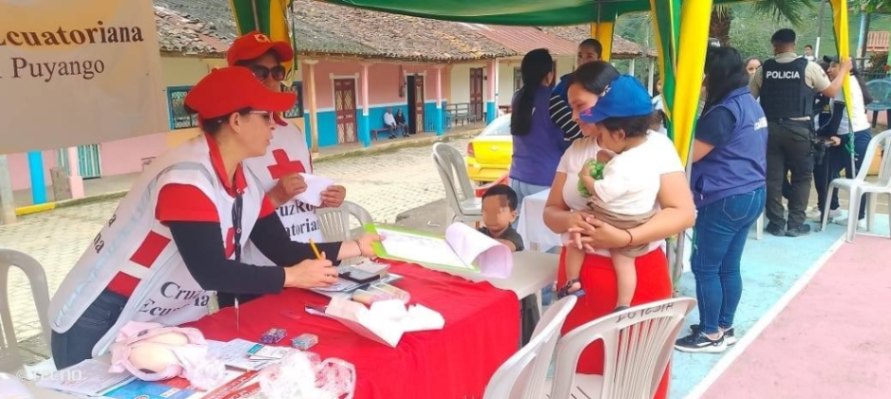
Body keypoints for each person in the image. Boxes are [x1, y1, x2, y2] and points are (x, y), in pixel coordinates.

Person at [48, 66, 380, 369]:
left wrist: (357, 246)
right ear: (236, 121)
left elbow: (280, 248)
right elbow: (211, 271)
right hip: (105, 315)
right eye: (265, 117)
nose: (273, 126)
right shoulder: (186, 178)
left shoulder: (244, 180)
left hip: (162, 317)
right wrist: (290, 277)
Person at [546, 67, 695, 399]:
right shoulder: (577, 151)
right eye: (570, 106)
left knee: (635, 378)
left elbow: (683, 213)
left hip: (637, 273)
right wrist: (571, 220)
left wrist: (626, 238)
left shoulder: (655, 147)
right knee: (582, 374)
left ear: (608, 101)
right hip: (580, 280)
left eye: (581, 105)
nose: (574, 115)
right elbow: (550, 213)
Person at [227, 32, 348, 308]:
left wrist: (329, 195)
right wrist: (276, 197)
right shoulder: (229, 140)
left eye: (277, 71)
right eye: (260, 71)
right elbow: (228, 220)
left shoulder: (292, 132)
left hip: (309, 257)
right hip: (260, 273)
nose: (271, 80)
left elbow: (309, 189)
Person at [675, 47, 767, 353]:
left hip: (724, 196)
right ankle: (725, 326)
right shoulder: (749, 103)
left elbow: (689, 158)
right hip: (752, 193)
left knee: (705, 267)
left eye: (704, 74)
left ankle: (710, 333)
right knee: (729, 266)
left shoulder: (723, 112)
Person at [559, 76, 664, 314]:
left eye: (603, 133)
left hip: (615, 219)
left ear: (618, 134)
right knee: (624, 262)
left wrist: (586, 177)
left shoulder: (628, 161)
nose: (600, 140)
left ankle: (572, 280)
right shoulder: (644, 153)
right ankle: (623, 304)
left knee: (575, 236)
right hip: (639, 217)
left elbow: (606, 191)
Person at [749, 28, 852, 237]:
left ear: (774, 45)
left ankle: (776, 223)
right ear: (794, 44)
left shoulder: (764, 69)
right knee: (802, 176)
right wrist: (843, 70)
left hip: (771, 130)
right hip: (799, 130)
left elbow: (750, 97)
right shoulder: (809, 67)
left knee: (773, 177)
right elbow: (831, 91)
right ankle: (795, 224)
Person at [509, 49, 570, 212]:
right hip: (544, 179)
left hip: (516, 177)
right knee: (544, 234)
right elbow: (575, 132)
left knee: (521, 232)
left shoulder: (517, 98)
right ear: (549, 75)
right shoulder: (553, 100)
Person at [478, 184, 539, 344]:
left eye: (499, 211)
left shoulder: (513, 236)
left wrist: (475, 242)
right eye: (486, 211)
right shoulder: (481, 233)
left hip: (519, 297)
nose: (491, 216)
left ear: (513, 215)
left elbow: (505, 247)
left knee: (521, 340)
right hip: (494, 292)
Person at [823, 56, 873, 227]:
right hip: (845, 135)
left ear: (847, 67)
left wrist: (829, 135)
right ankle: (832, 207)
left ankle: (858, 217)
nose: (829, 70)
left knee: (855, 177)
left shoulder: (845, 83)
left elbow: (836, 115)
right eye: (829, 66)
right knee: (829, 170)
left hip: (855, 136)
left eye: (834, 66)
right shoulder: (847, 81)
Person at [550, 39, 603, 142]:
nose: (583, 61)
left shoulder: (607, 83)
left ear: (599, 59)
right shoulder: (567, 82)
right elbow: (554, 106)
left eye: (589, 56)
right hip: (574, 140)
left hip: (602, 140)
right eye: (580, 56)